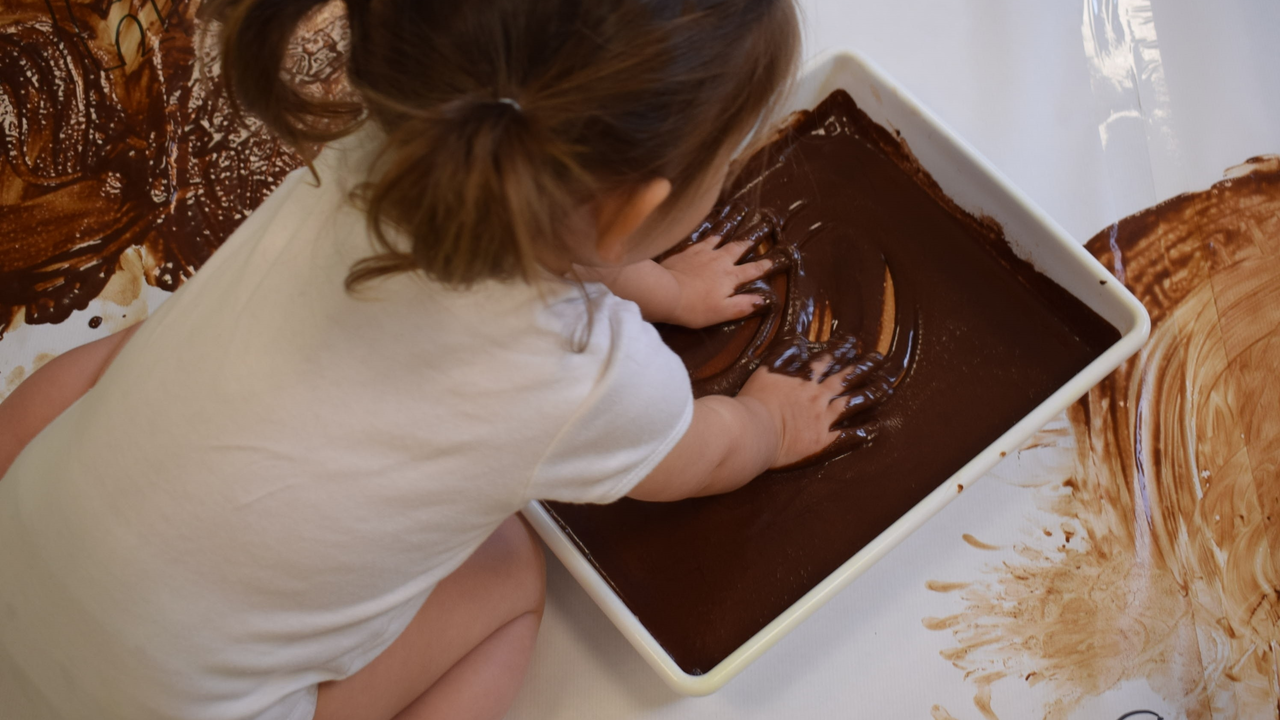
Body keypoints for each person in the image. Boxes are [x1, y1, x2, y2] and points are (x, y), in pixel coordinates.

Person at [0, 1, 880, 718]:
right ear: (635, 207)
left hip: (23, 554)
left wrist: (671, 292)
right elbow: (702, 455)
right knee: (512, 575)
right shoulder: (585, 378)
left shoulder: (377, 151)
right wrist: (770, 424)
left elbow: (559, 230)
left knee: (128, 358)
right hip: (172, 707)